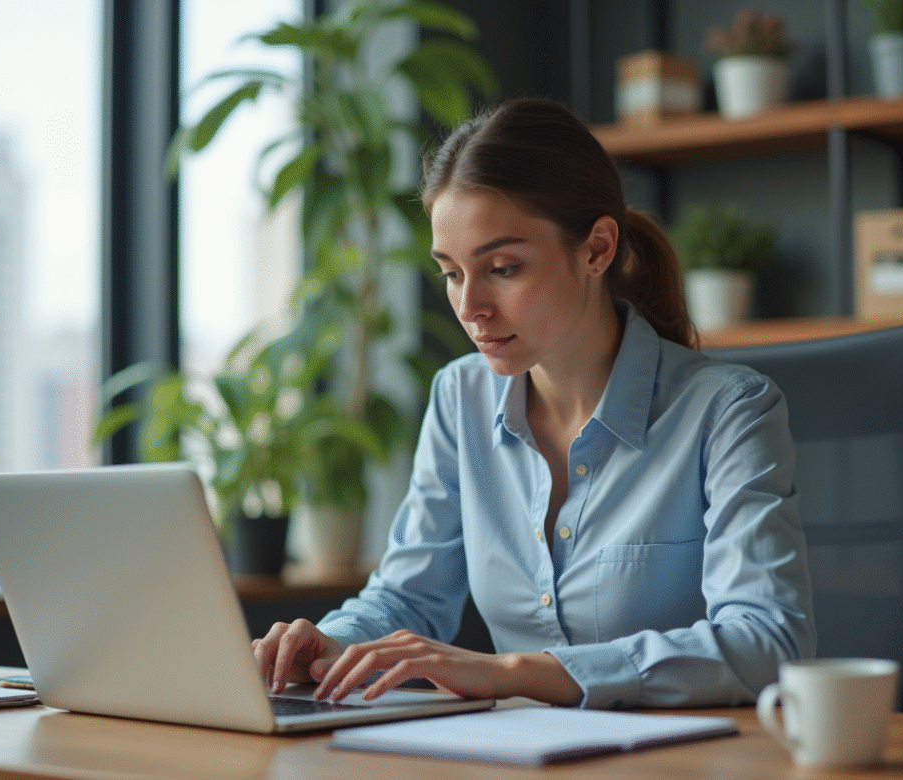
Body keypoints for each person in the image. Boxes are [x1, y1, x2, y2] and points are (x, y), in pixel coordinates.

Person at [252, 97, 815, 709]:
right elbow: (408, 597)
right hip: (517, 751)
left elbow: (768, 641)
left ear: (597, 249)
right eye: (452, 273)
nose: (471, 308)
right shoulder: (461, 398)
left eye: (503, 268)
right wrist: (330, 642)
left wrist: (516, 672)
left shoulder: (729, 412)